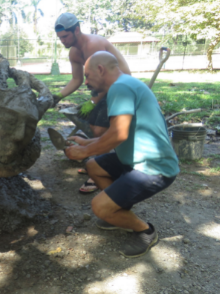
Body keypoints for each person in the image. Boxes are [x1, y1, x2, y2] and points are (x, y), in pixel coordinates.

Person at [62, 51, 179, 258]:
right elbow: (119, 130)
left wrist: (84, 150)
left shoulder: (120, 88)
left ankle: (145, 231)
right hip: (136, 159)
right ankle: (119, 209)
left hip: (155, 167)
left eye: (88, 76)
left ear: (100, 69)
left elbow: (118, 134)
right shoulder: (125, 84)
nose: (86, 81)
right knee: (93, 165)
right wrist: (88, 142)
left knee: (98, 207)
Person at [53, 13, 131, 139]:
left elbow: (104, 79)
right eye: (60, 38)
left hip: (121, 87)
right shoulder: (74, 52)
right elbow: (77, 79)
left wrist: (93, 101)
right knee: (93, 125)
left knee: (99, 129)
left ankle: (106, 148)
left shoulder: (93, 45)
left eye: (65, 36)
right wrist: (58, 96)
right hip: (105, 88)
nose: (62, 41)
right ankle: (99, 148)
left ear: (77, 30)